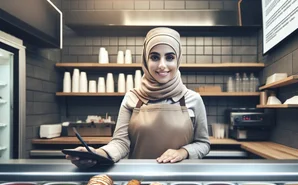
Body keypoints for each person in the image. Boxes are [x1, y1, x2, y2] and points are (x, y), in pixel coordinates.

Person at [66, 27, 210, 168]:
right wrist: (98, 153)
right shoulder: (132, 97)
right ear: (146, 60)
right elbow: (120, 143)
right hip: (139, 179)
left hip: (181, 180)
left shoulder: (193, 99)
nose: (162, 65)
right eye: (154, 57)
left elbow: (203, 144)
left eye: (170, 57)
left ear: (178, 60)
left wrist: (183, 152)